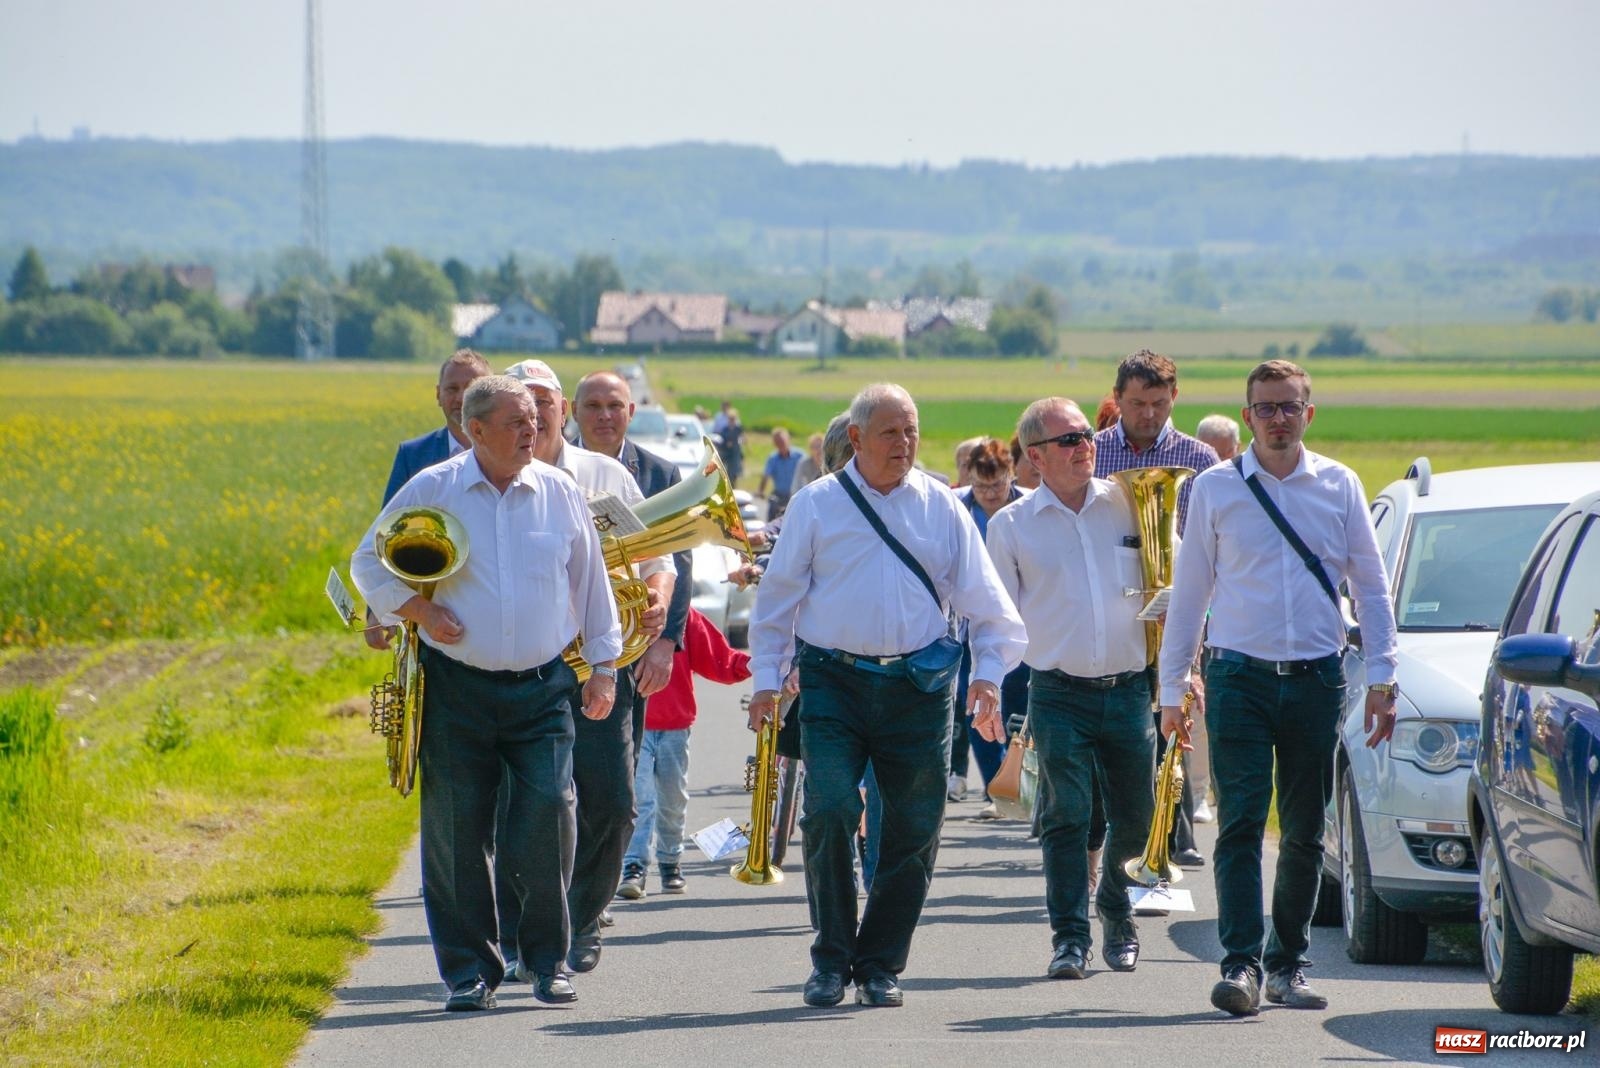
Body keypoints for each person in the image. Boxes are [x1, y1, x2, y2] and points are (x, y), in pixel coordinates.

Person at [747, 383, 1026, 1010]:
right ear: (857, 439)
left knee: (914, 828)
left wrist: (987, 675)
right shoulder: (816, 505)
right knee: (831, 811)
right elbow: (776, 603)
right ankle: (830, 958)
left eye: (912, 431)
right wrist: (767, 681)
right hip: (833, 683)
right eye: (891, 433)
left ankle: (879, 965)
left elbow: (988, 604)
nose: (905, 444)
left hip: (918, 688)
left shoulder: (943, 508)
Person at [351, 375, 621, 1011]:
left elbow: (591, 585)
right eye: (515, 422)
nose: (532, 430)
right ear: (475, 431)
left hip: (543, 688)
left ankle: (547, 961)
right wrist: (415, 607)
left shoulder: (560, 491)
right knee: (456, 830)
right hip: (457, 689)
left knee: (550, 815)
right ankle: (469, 972)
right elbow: (368, 562)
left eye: (534, 418)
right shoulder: (433, 488)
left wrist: (604, 666)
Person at [1159, 359, 1398, 1017]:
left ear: (1309, 413)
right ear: (1247, 417)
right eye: (1265, 407)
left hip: (1318, 676)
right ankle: (1241, 965)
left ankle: (1288, 963)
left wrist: (1384, 676)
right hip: (1238, 675)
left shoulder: (1339, 485)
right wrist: (1171, 687)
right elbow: (1190, 594)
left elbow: (1372, 588)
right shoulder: (1215, 489)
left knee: (1302, 830)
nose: (1277, 418)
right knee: (1238, 823)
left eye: (1289, 406)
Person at [492, 359, 672, 980]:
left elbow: (657, 554)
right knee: (527, 806)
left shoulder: (605, 474)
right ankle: (523, 930)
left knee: (615, 804)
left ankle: (582, 917)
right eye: (525, 402)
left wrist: (658, 594)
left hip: (600, 663)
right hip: (527, 670)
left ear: (563, 409)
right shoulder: (493, 479)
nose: (538, 412)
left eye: (546, 400)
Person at [988, 397, 1156, 979]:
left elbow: (1170, 583)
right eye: (1068, 440)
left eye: (1087, 434)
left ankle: (1114, 906)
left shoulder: (1130, 503)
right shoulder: (1009, 526)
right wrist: (987, 684)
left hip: (1131, 687)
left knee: (1136, 817)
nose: (1085, 444)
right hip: (1057, 691)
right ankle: (1070, 939)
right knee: (1067, 817)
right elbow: (999, 618)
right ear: (1035, 457)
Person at [566, 369, 694, 971]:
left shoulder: (657, 472)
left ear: (631, 409)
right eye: (592, 405)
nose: (603, 415)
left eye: (613, 404)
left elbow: (676, 564)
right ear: (573, 411)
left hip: (628, 649)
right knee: (559, 787)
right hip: (557, 655)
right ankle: (570, 900)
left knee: (618, 778)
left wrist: (666, 642)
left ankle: (595, 890)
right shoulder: (549, 467)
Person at [1094, 349, 1220, 869]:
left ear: (1175, 398)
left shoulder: (1202, 460)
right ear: (1117, 399)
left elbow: (1214, 549)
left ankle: (1171, 836)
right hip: (1108, 615)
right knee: (1117, 741)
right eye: (1137, 403)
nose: (1148, 414)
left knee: (1171, 728)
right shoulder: (1093, 455)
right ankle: (1112, 846)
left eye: (1159, 403)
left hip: (1179, 614)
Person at [617, 607, 752, 899]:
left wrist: (760, 665)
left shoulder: (683, 617)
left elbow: (719, 659)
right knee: (641, 799)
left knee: (673, 799)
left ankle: (670, 863)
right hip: (632, 723)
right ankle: (634, 866)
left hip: (675, 725)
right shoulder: (623, 609)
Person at [366, 349, 491, 651]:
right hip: (429, 615)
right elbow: (387, 538)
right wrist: (376, 608)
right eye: (452, 389)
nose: (461, 398)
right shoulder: (413, 455)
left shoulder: (512, 453)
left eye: (472, 388)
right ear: (438, 395)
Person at [950, 439, 1027, 817]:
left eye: (998, 486)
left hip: (1024, 622)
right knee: (974, 701)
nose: (991, 495)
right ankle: (999, 787)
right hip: (970, 626)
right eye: (982, 487)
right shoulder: (957, 506)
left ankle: (1024, 783)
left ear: (1011, 474)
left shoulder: (1027, 505)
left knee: (1021, 705)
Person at [757, 427, 802, 519]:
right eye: (778, 442)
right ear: (774, 444)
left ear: (788, 439)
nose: (781, 444)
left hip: (796, 494)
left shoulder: (799, 456)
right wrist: (761, 491)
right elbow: (766, 476)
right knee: (772, 506)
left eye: (782, 441)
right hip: (779, 494)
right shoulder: (773, 458)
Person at [790, 431, 826, 496]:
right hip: (810, 495)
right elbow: (796, 485)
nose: (819, 450)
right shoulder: (803, 463)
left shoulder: (830, 463)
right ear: (810, 449)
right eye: (816, 447)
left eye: (821, 446)